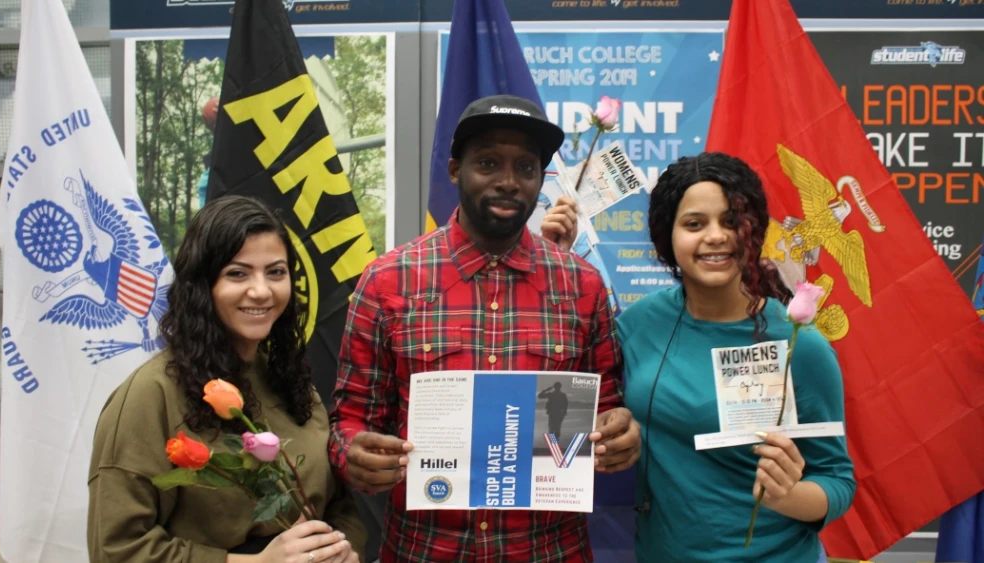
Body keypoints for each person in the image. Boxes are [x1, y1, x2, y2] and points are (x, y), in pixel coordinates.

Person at [328, 94, 641, 563]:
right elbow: (350, 418)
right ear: (456, 170)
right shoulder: (388, 281)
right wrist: (352, 453)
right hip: (424, 549)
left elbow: (608, 408)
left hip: (550, 551)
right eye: (489, 163)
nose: (509, 182)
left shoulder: (583, 286)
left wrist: (619, 433)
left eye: (527, 168)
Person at [541, 152, 855, 562]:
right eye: (694, 224)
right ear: (666, 237)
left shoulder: (801, 346)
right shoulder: (639, 324)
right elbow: (558, 385)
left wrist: (788, 495)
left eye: (731, 221)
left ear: (754, 229)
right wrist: (556, 266)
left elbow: (838, 483)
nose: (716, 236)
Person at [88, 195, 366, 563]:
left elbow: (341, 505)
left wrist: (344, 550)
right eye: (238, 273)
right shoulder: (149, 394)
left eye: (276, 272)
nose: (262, 290)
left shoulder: (291, 381)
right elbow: (116, 549)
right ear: (202, 285)